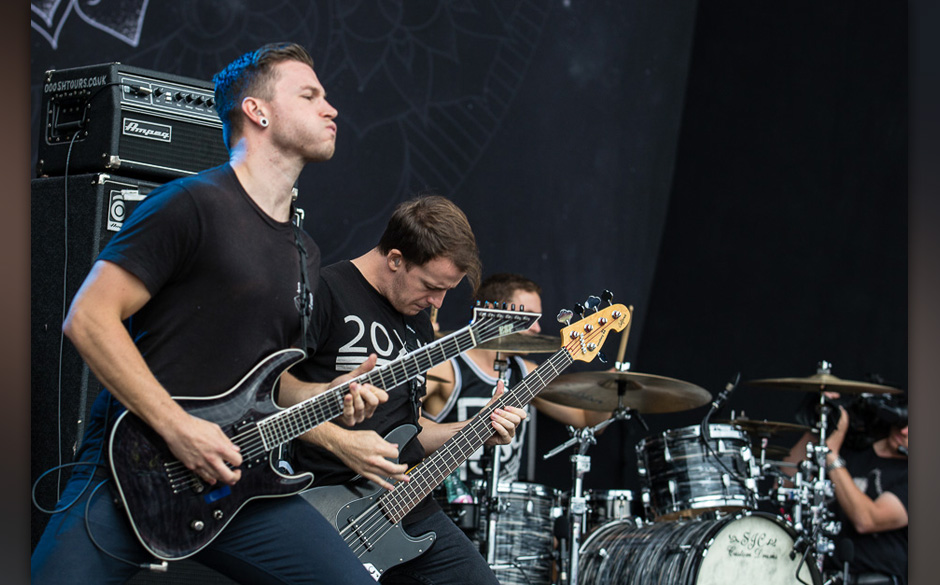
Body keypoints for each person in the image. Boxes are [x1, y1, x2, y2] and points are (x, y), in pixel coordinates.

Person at [31, 42, 387, 585]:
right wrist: (178, 429)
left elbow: (266, 382)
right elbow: (89, 317)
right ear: (257, 110)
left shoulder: (304, 251)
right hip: (136, 467)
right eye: (309, 95)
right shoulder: (190, 204)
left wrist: (328, 394)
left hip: (238, 481)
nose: (330, 108)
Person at [283, 195, 527, 584]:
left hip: (404, 503)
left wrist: (477, 428)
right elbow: (270, 391)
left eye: (447, 291)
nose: (437, 302)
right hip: (326, 504)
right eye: (431, 286)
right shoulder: (325, 290)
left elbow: (411, 428)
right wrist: (339, 439)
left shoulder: (418, 322)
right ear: (396, 259)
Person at [423, 273, 611, 484]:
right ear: (492, 313)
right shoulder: (447, 367)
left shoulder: (526, 372)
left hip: (504, 500)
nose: (537, 328)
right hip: (445, 497)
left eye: (537, 319)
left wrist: (612, 387)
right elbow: (404, 426)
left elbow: (586, 420)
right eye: (528, 316)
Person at [786, 393, 908, 585]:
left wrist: (831, 456)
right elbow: (786, 484)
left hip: (874, 580)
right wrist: (820, 426)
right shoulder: (852, 447)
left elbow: (867, 520)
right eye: (905, 422)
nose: (905, 431)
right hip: (818, 575)